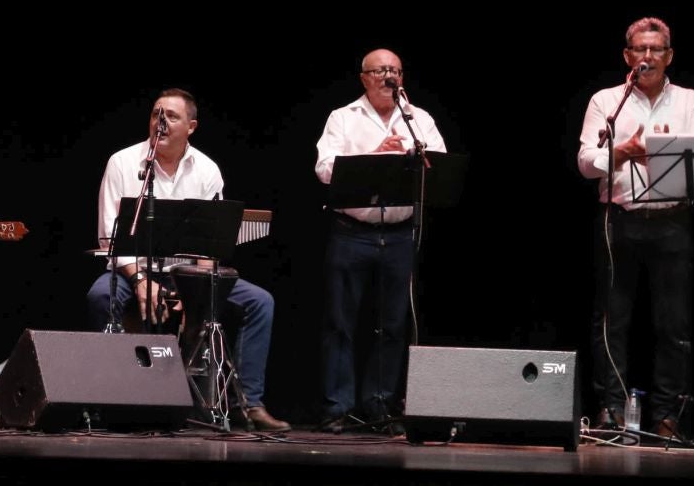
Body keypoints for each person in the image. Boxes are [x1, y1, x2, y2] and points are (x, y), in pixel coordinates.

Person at [87, 89, 288, 432]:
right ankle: (110, 399)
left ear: (191, 126)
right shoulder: (122, 162)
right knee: (100, 297)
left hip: (187, 272)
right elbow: (110, 239)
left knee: (260, 302)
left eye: (171, 117)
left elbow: (212, 245)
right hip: (133, 270)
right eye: (155, 115)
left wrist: (193, 289)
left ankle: (249, 404)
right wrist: (140, 281)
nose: (160, 123)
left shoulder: (207, 169)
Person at [576, 16, 694, 438]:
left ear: (669, 56)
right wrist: (624, 152)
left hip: (671, 220)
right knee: (611, 322)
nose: (648, 57)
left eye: (656, 50)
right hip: (618, 220)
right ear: (627, 56)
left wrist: (659, 154)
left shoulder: (690, 101)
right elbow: (585, 163)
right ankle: (611, 410)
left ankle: (668, 417)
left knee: (673, 325)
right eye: (640, 49)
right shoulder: (606, 101)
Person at [313, 48, 448, 431]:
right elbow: (324, 169)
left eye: (395, 71)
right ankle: (337, 408)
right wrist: (374, 157)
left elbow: (439, 165)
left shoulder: (418, 119)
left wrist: (414, 158)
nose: (389, 76)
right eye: (381, 70)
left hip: (401, 233)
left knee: (392, 325)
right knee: (340, 322)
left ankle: (382, 406)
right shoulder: (343, 117)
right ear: (364, 77)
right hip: (351, 233)